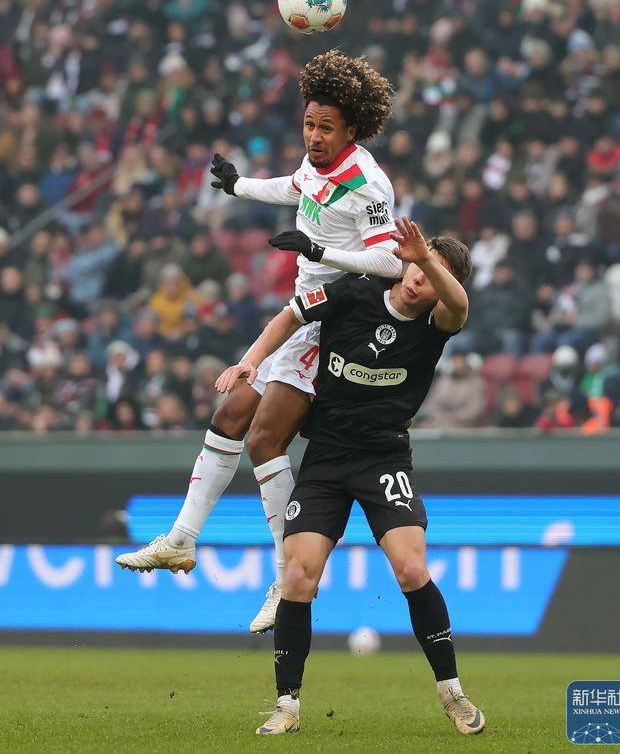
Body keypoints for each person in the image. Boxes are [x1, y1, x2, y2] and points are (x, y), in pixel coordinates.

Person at [115, 50, 401, 633]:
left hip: (337, 322)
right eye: (309, 124)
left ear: (351, 129)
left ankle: (286, 576)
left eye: (326, 127)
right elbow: (292, 187)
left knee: (265, 440)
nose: (314, 136)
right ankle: (182, 539)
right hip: (301, 314)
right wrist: (237, 186)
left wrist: (320, 252)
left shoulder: (369, 184)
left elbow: (389, 263)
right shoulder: (316, 165)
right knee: (229, 417)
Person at [215, 218, 484, 737]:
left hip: (384, 457)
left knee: (411, 568)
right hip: (327, 457)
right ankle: (286, 706)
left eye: (431, 273)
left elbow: (460, 304)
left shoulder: (438, 324)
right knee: (298, 576)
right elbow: (291, 315)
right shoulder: (356, 292)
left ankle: (452, 693)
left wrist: (428, 260)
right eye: (415, 266)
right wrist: (250, 362)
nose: (417, 278)